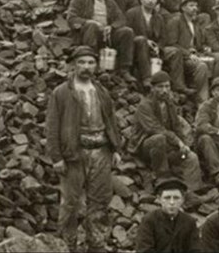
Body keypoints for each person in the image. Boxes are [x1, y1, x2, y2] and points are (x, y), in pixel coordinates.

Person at [45, 46, 122, 252]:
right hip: (73, 155)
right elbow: (52, 127)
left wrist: (115, 149)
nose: (86, 67)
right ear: (73, 65)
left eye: (90, 62)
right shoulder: (61, 93)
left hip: (101, 152)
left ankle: (96, 244)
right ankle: (66, 245)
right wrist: (56, 157)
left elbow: (111, 122)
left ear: (96, 65)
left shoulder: (102, 92)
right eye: (81, 62)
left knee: (100, 201)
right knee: (70, 203)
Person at [129, 71, 205, 191]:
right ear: (153, 88)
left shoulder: (169, 104)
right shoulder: (145, 106)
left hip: (167, 147)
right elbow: (154, 128)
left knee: (191, 157)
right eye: (160, 87)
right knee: (159, 138)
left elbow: (176, 127)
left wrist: (184, 145)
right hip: (146, 149)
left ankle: (192, 191)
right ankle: (163, 177)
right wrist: (177, 141)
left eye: (167, 86)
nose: (164, 90)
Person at [66, 0, 136, 82]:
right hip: (87, 34)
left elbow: (121, 19)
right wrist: (88, 22)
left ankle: (124, 70)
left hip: (106, 35)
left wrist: (112, 27)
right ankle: (94, 65)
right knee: (92, 26)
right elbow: (71, 18)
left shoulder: (109, 2)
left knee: (127, 31)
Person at [164, 0, 210, 102]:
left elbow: (198, 45)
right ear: (183, 8)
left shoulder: (195, 24)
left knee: (215, 61)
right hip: (180, 59)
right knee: (201, 66)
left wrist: (204, 48)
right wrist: (188, 54)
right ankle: (202, 100)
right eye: (191, 5)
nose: (195, 8)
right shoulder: (176, 21)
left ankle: (211, 93)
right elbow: (172, 43)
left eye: (196, 6)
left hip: (193, 56)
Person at [136, 177, 200, 252]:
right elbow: (144, 250)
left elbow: (195, 250)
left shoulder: (189, 222)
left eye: (176, 198)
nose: (172, 202)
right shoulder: (149, 220)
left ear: (182, 200)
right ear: (159, 199)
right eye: (167, 198)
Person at [125, 0, 170, 87]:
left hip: (152, 50)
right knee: (141, 40)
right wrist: (146, 41)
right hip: (134, 47)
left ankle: (171, 84)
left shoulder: (159, 18)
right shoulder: (132, 13)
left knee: (174, 52)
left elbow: (163, 37)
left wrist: (158, 47)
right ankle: (147, 78)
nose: (150, 1)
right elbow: (126, 33)